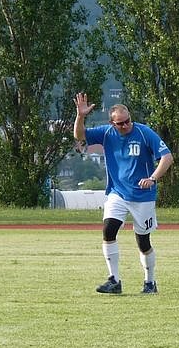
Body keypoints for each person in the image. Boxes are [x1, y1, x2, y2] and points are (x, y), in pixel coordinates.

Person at [74, 93, 173, 294]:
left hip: (143, 196)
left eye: (128, 121)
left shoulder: (144, 132)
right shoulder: (106, 133)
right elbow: (80, 136)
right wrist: (81, 116)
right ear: (112, 123)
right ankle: (114, 280)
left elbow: (167, 157)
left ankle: (150, 282)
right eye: (120, 123)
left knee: (143, 242)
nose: (126, 125)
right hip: (117, 192)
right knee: (108, 230)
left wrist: (153, 178)